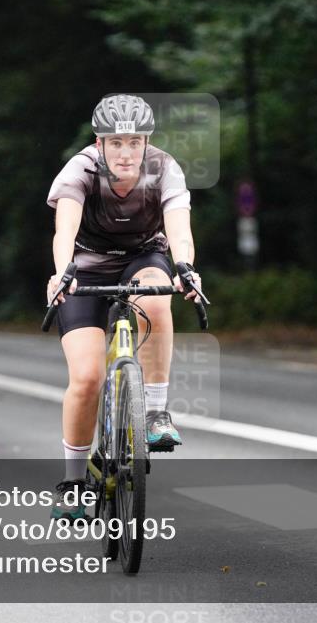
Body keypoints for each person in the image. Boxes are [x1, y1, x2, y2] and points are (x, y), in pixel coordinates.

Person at [45, 94, 203, 520]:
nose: (126, 151)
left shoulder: (164, 168)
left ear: (146, 142)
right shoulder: (80, 169)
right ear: (99, 143)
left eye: (135, 141)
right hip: (86, 266)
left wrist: (185, 266)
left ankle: (154, 413)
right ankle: (74, 482)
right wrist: (63, 273)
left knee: (157, 296)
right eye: (116, 142)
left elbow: (179, 228)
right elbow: (65, 231)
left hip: (143, 258)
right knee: (86, 378)